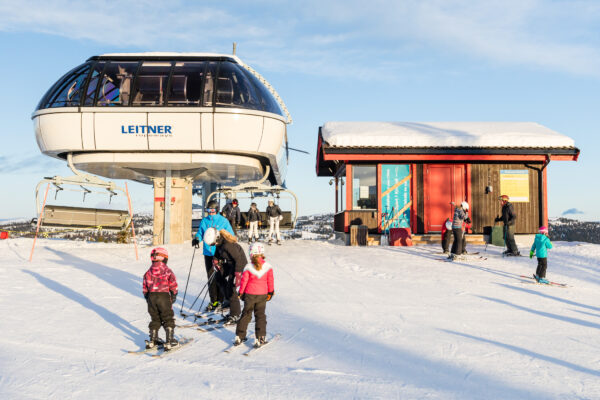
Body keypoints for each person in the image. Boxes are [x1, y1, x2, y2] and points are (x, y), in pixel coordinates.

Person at [192, 200, 235, 312]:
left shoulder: (223, 221)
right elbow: (200, 233)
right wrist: (197, 239)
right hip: (208, 253)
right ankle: (214, 301)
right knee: (210, 277)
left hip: (220, 253)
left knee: (219, 277)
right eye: (208, 211)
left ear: (217, 210)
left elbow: (231, 235)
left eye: (212, 211)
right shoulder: (204, 221)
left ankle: (223, 300)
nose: (210, 213)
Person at [235, 243, 275, 348]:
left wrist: (241, 292)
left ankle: (240, 336)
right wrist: (270, 292)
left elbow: (244, 281)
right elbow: (270, 281)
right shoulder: (268, 267)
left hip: (249, 295)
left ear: (251, 254)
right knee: (260, 315)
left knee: (246, 314)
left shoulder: (248, 267)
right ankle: (260, 337)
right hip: (262, 295)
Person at [142, 247, 179, 350]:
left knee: (155, 318)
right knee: (167, 317)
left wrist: (147, 297)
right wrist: (174, 294)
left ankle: (153, 340)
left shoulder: (148, 272)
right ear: (164, 258)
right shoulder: (167, 270)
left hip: (151, 297)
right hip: (164, 297)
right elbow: (173, 283)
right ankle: (170, 340)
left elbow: (145, 286)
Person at [212, 228, 248, 325]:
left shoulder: (228, 245)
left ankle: (235, 314)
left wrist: (238, 274)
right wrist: (215, 260)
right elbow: (217, 253)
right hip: (230, 264)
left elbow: (239, 259)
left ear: (217, 238)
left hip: (239, 265)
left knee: (231, 287)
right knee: (218, 277)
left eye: (213, 243)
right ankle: (228, 300)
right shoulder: (219, 243)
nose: (213, 245)